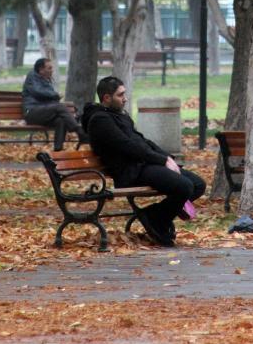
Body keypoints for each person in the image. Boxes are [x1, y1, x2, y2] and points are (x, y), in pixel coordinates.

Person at [82, 76, 206, 246]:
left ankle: (155, 215)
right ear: (106, 98)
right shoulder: (99, 120)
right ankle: (158, 219)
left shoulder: (119, 115)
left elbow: (143, 141)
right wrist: (161, 160)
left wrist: (168, 158)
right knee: (184, 186)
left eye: (124, 94)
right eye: (120, 95)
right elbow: (128, 146)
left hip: (145, 164)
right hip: (131, 172)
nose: (125, 99)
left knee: (198, 184)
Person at [22, 58, 88, 151]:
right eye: (49, 68)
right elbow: (38, 92)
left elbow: (50, 100)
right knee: (59, 106)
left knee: (60, 120)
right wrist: (56, 95)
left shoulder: (46, 80)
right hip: (32, 112)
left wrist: (55, 99)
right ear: (41, 70)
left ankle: (58, 150)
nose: (52, 70)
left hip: (44, 113)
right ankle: (80, 132)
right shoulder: (32, 76)